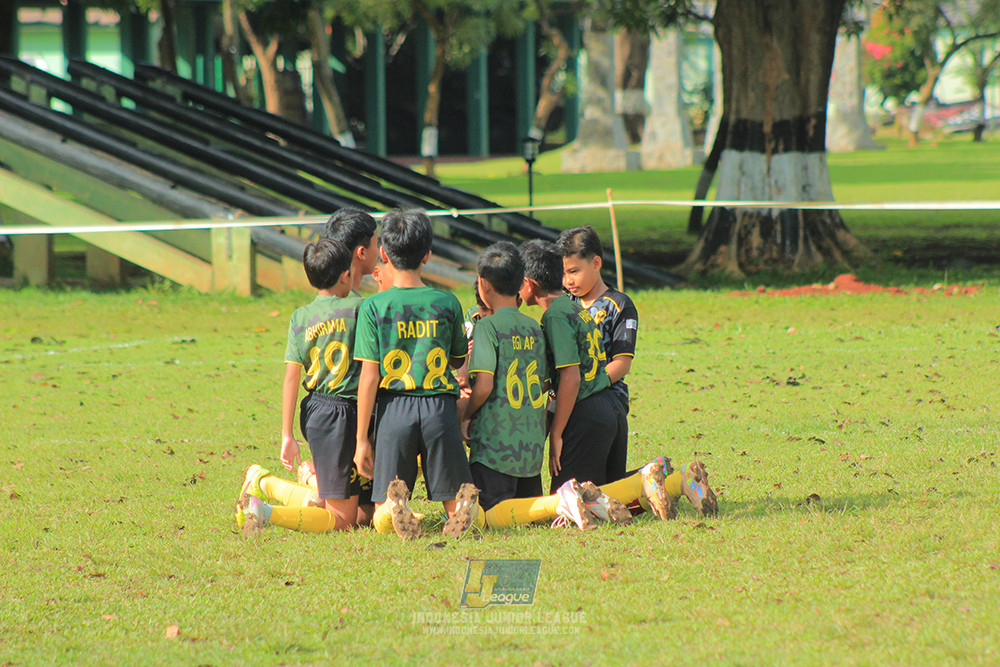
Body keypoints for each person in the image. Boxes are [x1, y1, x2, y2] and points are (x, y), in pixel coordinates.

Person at [352, 209, 479, 540]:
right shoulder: (447, 302)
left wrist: (362, 438)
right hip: (440, 408)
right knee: (454, 497)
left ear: (383, 254)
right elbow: (456, 359)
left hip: (394, 410)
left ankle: (396, 506)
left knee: (381, 512)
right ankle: (461, 510)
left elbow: (369, 377)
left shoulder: (373, 307)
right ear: (427, 255)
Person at [237, 238, 369, 534]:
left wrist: (287, 434)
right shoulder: (359, 308)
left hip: (315, 411)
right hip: (343, 414)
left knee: (355, 508)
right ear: (346, 275)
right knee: (343, 520)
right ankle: (264, 511)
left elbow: (291, 377)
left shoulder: (299, 317)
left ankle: (301, 480)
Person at [517, 240, 626, 494]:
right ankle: (653, 477)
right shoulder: (573, 306)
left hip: (586, 412)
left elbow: (571, 378)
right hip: (609, 407)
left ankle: (655, 478)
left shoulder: (555, 316)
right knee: (608, 494)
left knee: (566, 500)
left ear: (529, 284)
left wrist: (556, 434)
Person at [463, 242, 548, 516]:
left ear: (483, 284)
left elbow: (484, 387)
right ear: (521, 283)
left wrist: (466, 415)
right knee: (527, 516)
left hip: (495, 451)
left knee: (487, 517)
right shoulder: (535, 327)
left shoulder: (487, 326)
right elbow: (544, 383)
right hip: (531, 452)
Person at [557, 226, 638, 483]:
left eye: (574, 271)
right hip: (572, 396)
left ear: (596, 263)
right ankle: (654, 477)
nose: (568, 281)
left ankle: (660, 477)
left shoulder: (618, 305)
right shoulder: (565, 305)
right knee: (602, 487)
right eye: (563, 273)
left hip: (607, 398)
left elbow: (622, 363)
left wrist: (589, 386)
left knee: (604, 485)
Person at [323, 208, 379, 294]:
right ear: (361, 253)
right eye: (376, 244)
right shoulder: (360, 303)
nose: (378, 252)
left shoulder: (324, 298)